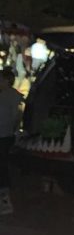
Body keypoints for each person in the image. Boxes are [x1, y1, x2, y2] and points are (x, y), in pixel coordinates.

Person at [0, 67, 24, 216]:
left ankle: (5, 198)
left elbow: (16, 116)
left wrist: (15, 131)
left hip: (4, 135)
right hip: (4, 134)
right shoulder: (5, 95)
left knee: (2, 166)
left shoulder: (11, 95)